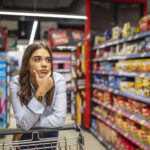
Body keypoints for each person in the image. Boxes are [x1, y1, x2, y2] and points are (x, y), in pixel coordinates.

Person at [9, 42, 67, 149]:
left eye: (48, 60)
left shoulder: (58, 80)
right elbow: (24, 122)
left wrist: (25, 125)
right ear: (27, 64)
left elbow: (59, 119)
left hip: (48, 135)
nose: (44, 64)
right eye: (37, 59)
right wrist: (41, 91)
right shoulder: (16, 84)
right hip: (25, 138)